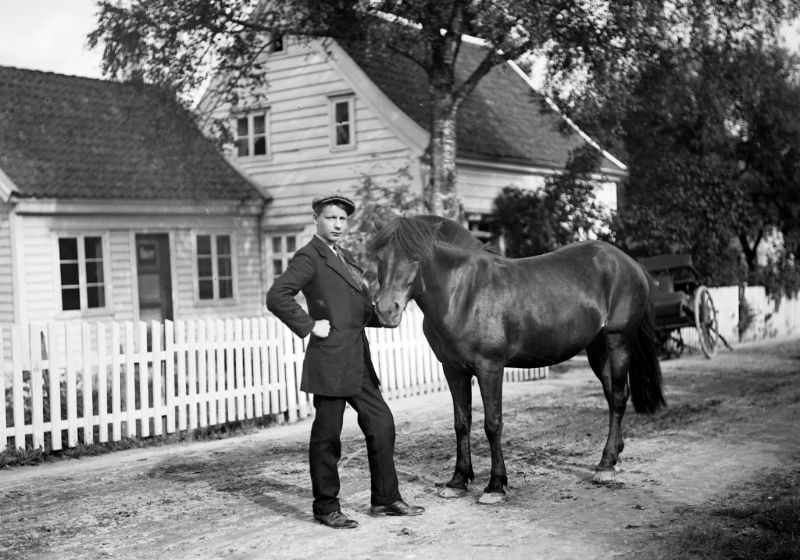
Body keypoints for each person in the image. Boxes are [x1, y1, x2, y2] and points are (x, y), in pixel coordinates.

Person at [266, 193, 424, 529]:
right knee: (327, 437)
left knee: (381, 424)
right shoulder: (310, 256)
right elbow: (277, 296)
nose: (337, 224)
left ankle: (385, 499)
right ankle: (326, 507)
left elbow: (357, 309)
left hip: (358, 358)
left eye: (342, 219)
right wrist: (309, 325)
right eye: (331, 218)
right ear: (317, 220)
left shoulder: (344, 257)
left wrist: (381, 317)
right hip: (331, 360)